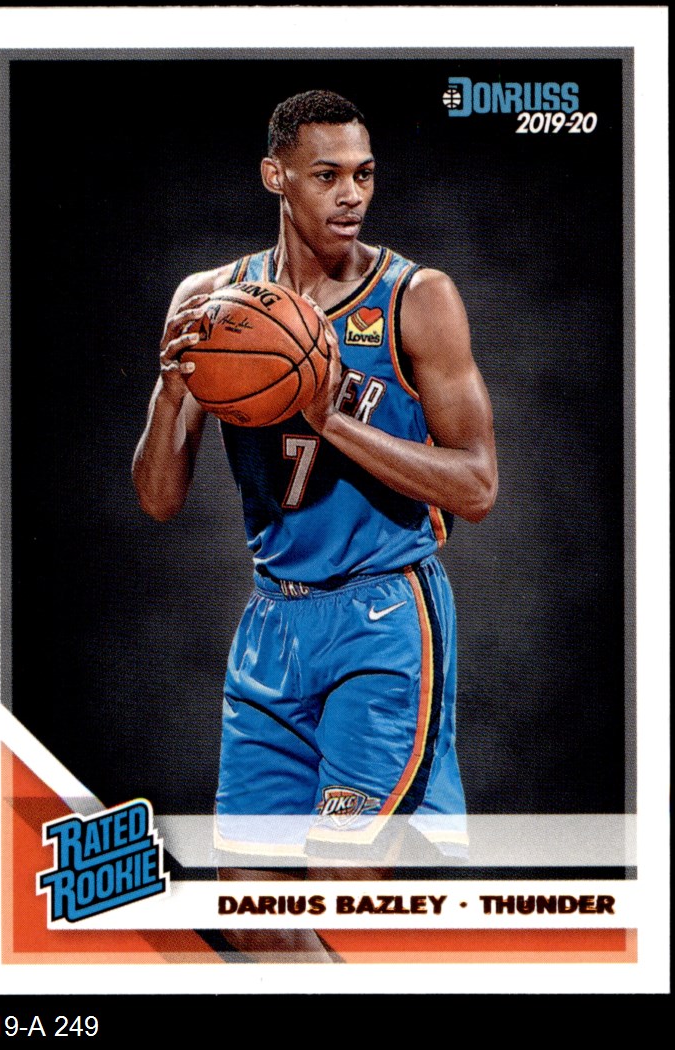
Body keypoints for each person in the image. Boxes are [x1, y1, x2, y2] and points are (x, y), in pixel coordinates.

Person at [133, 90, 497, 958]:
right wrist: (172, 391)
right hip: (272, 625)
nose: (351, 195)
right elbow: (158, 499)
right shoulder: (211, 300)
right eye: (327, 175)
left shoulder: (417, 297)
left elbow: (478, 485)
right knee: (253, 916)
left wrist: (331, 418)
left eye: (364, 175)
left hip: (382, 617)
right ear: (276, 176)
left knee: (344, 889)